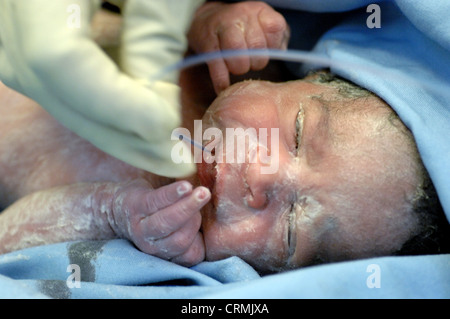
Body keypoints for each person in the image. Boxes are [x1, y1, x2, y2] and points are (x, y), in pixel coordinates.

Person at [0, 1, 448, 273]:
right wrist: (207, 18)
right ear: (303, 76)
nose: (263, 178)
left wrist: (110, 213)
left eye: (291, 231)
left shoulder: (160, 239)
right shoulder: (228, 61)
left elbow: (7, 243)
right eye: (296, 133)